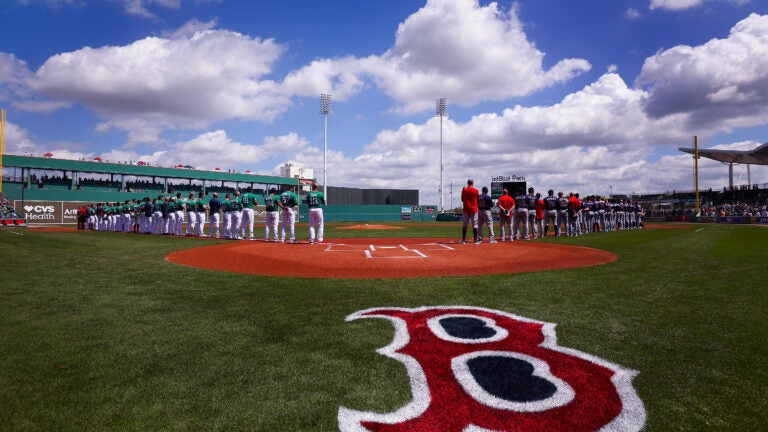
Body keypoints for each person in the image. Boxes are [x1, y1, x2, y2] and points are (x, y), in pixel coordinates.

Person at [460, 178, 479, 244]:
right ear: (473, 183)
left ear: (467, 183)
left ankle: (463, 240)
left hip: (466, 209)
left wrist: (463, 191)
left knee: (465, 224)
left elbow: (462, 200)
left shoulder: (464, 190)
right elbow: (478, 200)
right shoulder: (476, 190)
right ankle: (475, 240)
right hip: (474, 209)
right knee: (475, 224)